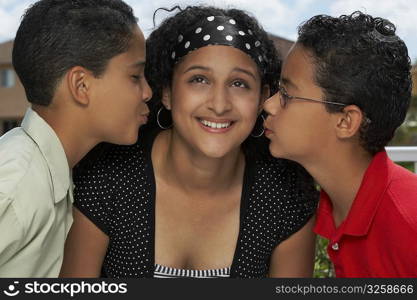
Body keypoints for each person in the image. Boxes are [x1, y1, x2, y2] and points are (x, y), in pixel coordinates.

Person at [60, 6, 318, 278]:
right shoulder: (106, 177)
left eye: (239, 84)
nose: (219, 105)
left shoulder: (286, 195)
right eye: (199, 80)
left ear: (262, 98)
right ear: (168, 91)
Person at [0, 0, 152, 277]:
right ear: (81, 86)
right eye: (135, 76)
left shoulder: (52, 174)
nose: (147, 92)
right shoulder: (15, 187)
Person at [264, 11, 417, 277]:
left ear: (346, 122)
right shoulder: (336, 206)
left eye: (287, 94)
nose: (268, 104)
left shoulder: (408, 224)